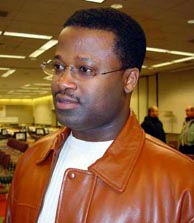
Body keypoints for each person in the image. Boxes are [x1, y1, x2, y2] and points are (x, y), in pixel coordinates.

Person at [5, 8, 194, 223]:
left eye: (84, 69)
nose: (62, 81)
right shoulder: (33, 158)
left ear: (129, 80)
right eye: (59, 66)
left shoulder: (182, 183)